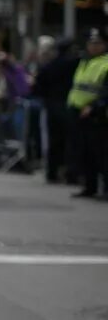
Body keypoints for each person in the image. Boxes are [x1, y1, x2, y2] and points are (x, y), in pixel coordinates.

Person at [66, 28, 108, 199]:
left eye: (97, 43)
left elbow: (105, 92)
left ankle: (105, 188)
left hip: (97, 115)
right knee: (84, 152)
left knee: (102, 153)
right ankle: (89, 186)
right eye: (91, 43)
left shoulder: (105, 63)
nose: (93, 46)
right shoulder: (85, 61)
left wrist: (94, 106)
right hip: (78, 112)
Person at [32, 38, 78, 183]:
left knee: (53, 141)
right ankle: (70, 173)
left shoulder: (49, 66)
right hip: (69, 106)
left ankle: (52, 172)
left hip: (51, 106)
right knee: (70, 141)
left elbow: (37, 87)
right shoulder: (75, 65)